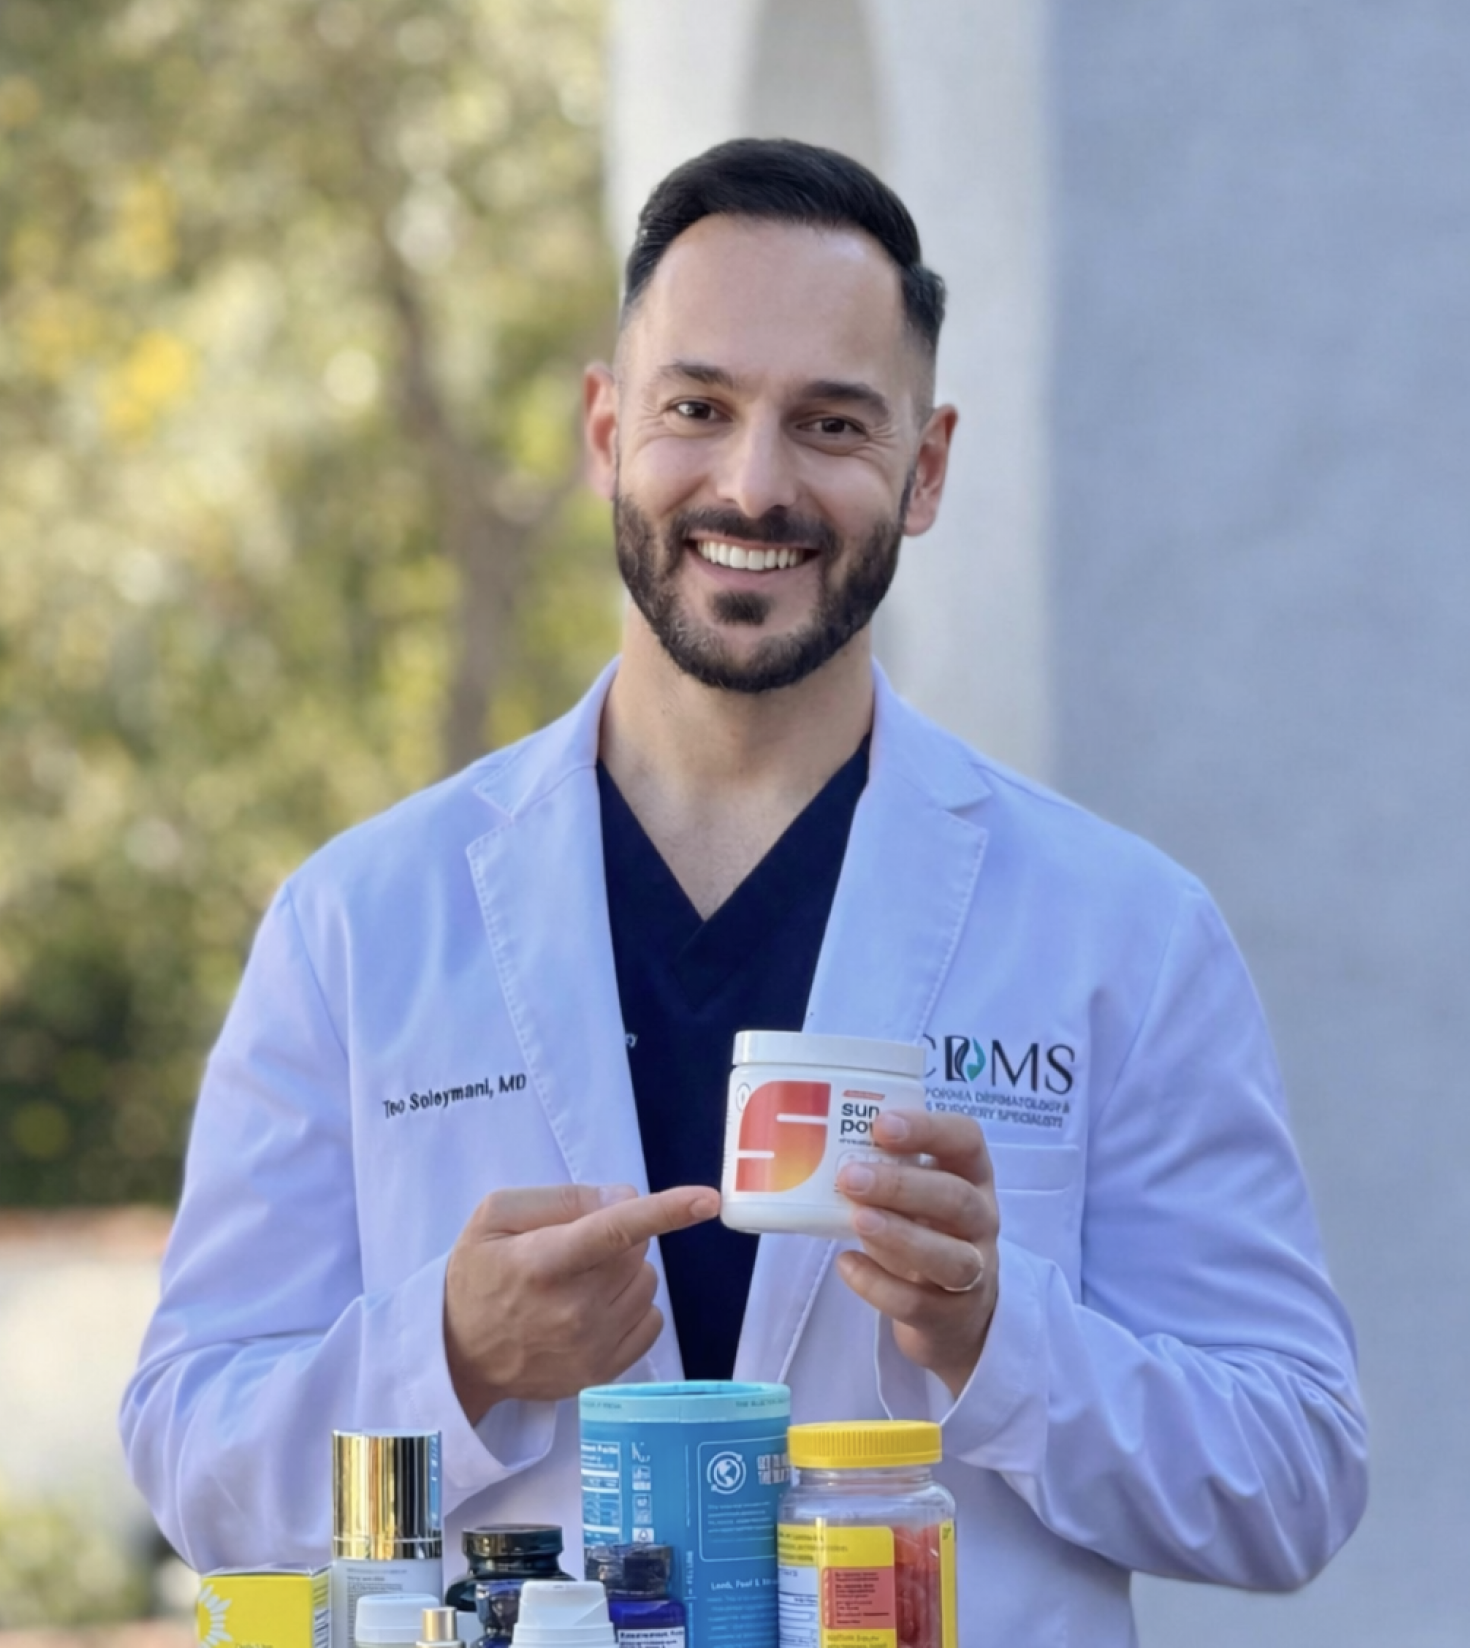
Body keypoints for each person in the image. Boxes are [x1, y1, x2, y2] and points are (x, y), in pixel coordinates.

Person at [121, 139, 1366, 1645]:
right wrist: (451, 1355)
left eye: (831, 423)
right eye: (695, 408)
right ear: (604, 427)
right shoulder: (363, 922)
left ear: (925, 468)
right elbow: (193, 1453)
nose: (753, 482)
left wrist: (996, 1336)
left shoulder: (1122, 933)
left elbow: (1294, 1475)